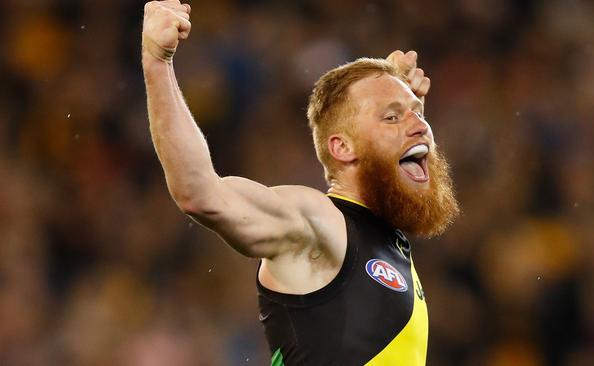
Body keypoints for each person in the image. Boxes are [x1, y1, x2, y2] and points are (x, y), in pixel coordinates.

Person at [141, 1, 459, 365]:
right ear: (342, 147)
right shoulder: (319, 223)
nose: (420, 125)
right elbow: (200, 192)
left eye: (419, 115)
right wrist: (157, 61)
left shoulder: (385, 240)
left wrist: (397, 107)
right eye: (391, 118)